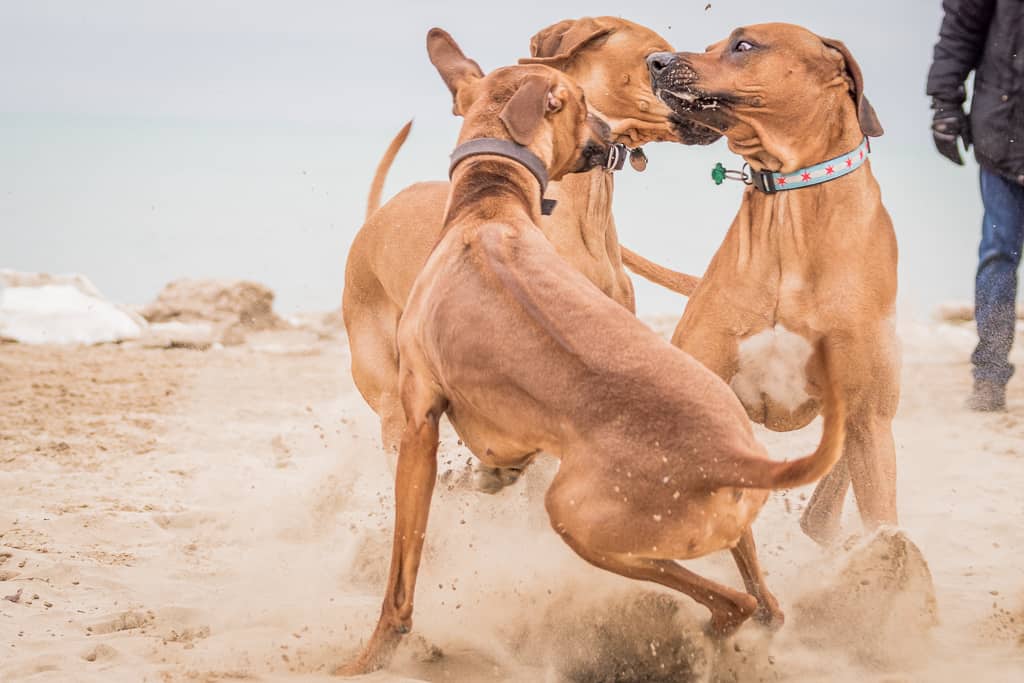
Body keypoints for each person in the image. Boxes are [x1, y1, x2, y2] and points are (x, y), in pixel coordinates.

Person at [927, 0, 1023, 412]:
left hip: (1001, 128)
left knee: (997, 256)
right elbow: (961, 29)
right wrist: (945, 105)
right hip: (1005, 134)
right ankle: (988, 379)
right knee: (999, 255)